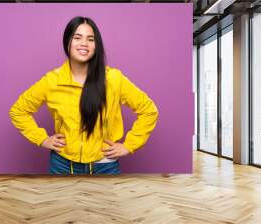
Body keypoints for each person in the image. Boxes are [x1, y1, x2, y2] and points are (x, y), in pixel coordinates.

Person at [9, 16, 158, 175]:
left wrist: (130, 145)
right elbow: (18, 111)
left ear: (96, 45)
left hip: (105, 166)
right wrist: (42, 139)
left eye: (90, 39)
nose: (84, 44)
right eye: (77, 37)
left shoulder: (114, 78)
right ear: (67, 42)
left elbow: (149, 110)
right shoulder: (51, 81)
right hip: (62, 166)